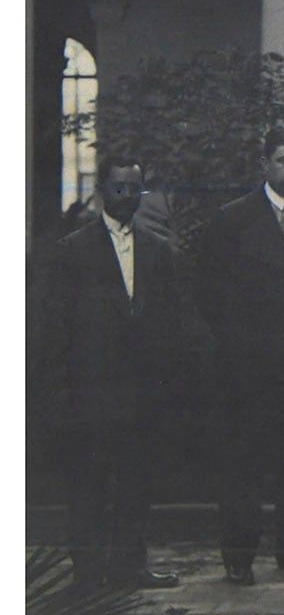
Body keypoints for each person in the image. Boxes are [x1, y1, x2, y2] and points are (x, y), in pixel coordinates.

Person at [197, 126, 284, 586]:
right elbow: (210, 294)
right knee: (244, 466)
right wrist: (240, 349)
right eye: (283, 160)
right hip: (248, 371)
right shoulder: (232, 219)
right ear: (265, 163)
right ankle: (239, 556)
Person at [37, 155, 182, 589]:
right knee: (89, 488)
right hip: (90, 394)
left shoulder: (156, 250)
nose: (127, 196)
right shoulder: (73, 251)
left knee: (136, 484)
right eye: (119, 187)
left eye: (135, 188)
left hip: (140, 394)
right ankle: (87, 576)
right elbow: (55, 329)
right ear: (102, 190)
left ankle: (130, 566)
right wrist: (60, 395)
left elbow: (167, 324)